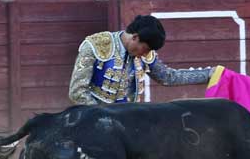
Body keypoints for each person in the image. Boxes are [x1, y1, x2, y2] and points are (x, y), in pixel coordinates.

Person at [68, 15, 214, 105]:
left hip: (128, 117)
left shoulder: (144, 54)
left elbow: (168, 77)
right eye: (144, 49)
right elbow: (77, 92)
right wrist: (102, 117)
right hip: (93, 118)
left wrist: (209, 74)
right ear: (135, 37)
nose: (144, 55)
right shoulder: (96, 45)